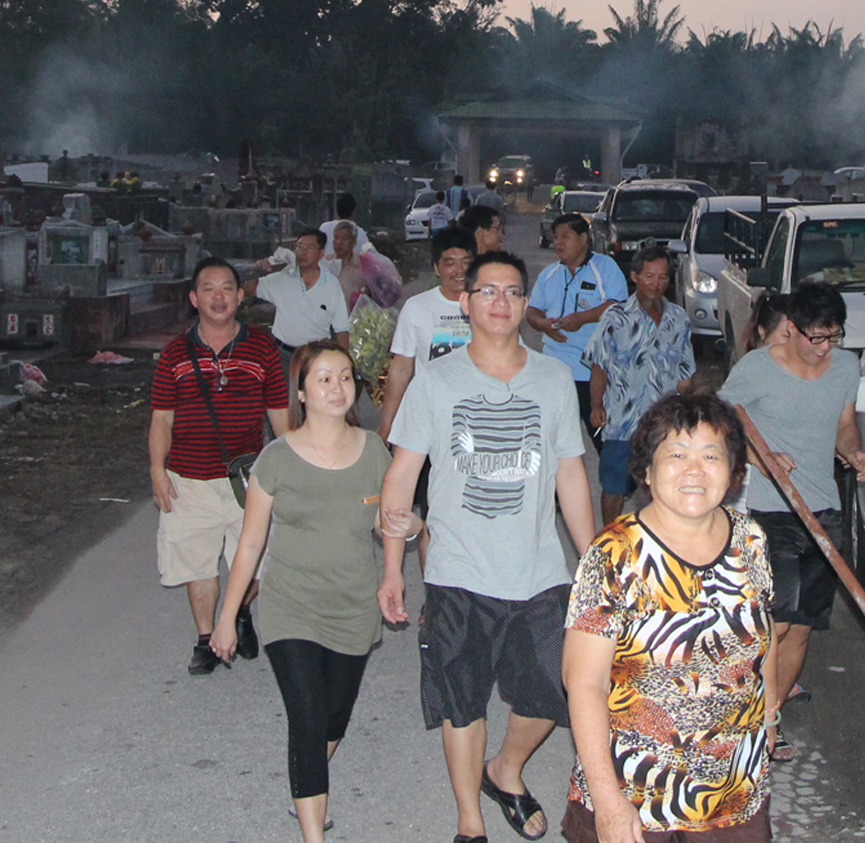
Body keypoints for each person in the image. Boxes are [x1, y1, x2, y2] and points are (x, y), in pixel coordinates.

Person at [379, 250, 597, 843]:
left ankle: (504, 769)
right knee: (462, 699)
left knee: (556, 689)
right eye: (488, 292)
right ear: (466, 301)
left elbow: (571, 475)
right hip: (457, 571)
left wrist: (596, 559)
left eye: (512, 293)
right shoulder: (437, 380)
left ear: (526, 305)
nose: (501, 303)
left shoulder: (552, 378)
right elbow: (401, 477)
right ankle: (469, 822)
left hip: (539, 570)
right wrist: (393, 568)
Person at [210, 341, 409, 842]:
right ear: (301, 391)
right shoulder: (275, 459)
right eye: (323, 378)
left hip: (352, 605)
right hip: (289, 607)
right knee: (307, 718)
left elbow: (389, 523)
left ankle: (308, 779)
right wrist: (226, 616)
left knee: (332, 720)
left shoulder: (374, 452)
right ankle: (312, 831)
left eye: (345, 377)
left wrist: (393, 570)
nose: (337, 387)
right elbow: (251, 542)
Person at [563, 393, 775, 843]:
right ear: (646, 472)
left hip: (733, 793)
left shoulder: (749, 540)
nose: (694, 469)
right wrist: (608, 802)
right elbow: (583, 682)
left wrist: (770, 717)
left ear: (734, 471)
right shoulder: (614, 554)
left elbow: (763, 639)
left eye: (711, 455)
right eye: (676, 454)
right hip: (636, 796)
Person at [718, 280, 865, 757]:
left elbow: (844, 426)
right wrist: (763, 460)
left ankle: (770, 719)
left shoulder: (845, 367)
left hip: (824, 512)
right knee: (775, 625)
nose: (825, 349)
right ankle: (750, 716)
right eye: (816, 338)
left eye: (834, 337)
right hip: (771, 513)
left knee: (801, 628)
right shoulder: (757, 369)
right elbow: (724, 420)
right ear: (792, 329)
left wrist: (854, 452)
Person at [148, 258, 291, 676]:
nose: (218, 296)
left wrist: (293, 466)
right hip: (189, 479)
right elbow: (161, 419)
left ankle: (239, 611)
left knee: (262, 561)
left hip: (249, 480)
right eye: (208, 288)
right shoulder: (175, 354)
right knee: (197, 564)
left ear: (240, 296)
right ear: (194, 299)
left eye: (227, 287)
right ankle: (206, 639)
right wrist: (158, 469)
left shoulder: (262, 348)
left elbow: (278, 412)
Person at [583, 242, 696, 522]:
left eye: (662, 277)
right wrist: (596, 405)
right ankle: (609, 541)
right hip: (622, 422)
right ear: (634, 276)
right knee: (614, 487)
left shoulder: (678, 319)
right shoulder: (615, 318)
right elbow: (599, 365)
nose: (655, 284)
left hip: (663, 427)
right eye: (649, 276)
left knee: (662, 488)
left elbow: (686, 373)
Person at [526, 213, 628, 436]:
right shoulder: (549, 274)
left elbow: (618, 306)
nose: (559, 243)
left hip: (593, 373)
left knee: (603, 438)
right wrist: (543, 324)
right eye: (555, 237)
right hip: (554, 371)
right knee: (551, 440)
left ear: (583, 238)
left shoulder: (605, 267)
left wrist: (581, 318)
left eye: (565, 236)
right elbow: (532, 310)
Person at [379, 226, 475, 437]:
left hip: (477, 421)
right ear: (436, 269)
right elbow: (401, 370)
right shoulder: (416, 307)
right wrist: (388, 422)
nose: (459, 270)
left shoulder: (491, 306)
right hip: (429, 422)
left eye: (466, 262)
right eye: (450, 263)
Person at [254, 229, 352, 361]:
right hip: (282, 354)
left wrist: (344, 361)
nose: (302, 252)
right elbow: (251, 290)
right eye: (299, 246)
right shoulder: (282, 278)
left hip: (315, 356)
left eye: (309, 247)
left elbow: (342, 327)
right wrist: (256, 271)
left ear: (321, 253)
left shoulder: (331, 284)